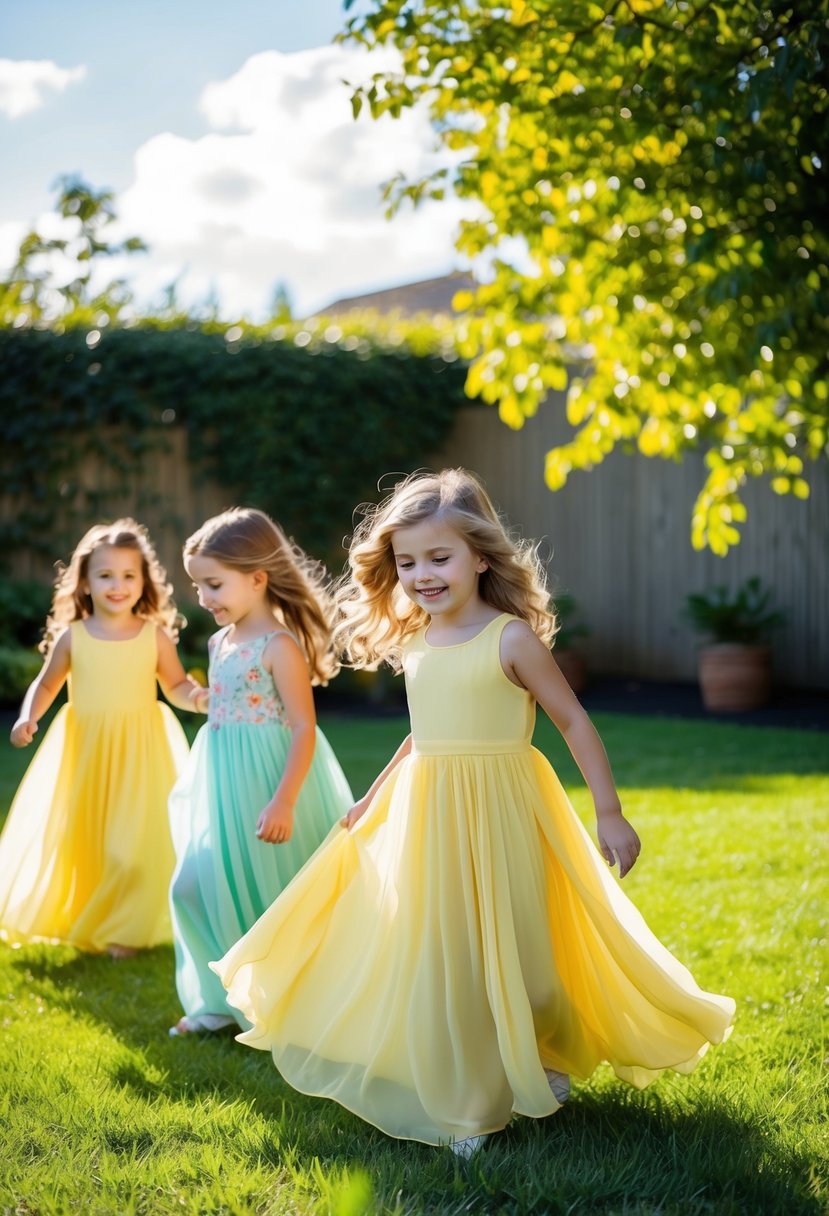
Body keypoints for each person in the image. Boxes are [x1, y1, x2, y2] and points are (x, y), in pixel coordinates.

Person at [211, 470, 735, 1153]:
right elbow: (421, 731)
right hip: (428, 813)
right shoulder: (418, 641)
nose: (422, 575)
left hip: (505, 809)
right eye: (407, 563)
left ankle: (539, 1052)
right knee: (445, 949)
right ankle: (468, 1101)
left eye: (439, 558)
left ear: (480, 556)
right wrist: (373, 795)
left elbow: (572, 721)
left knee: (520, 948)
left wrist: (608, 814)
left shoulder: (510, 639)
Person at [168, 507, 353, 1036]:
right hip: (223, 781)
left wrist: (285, 800)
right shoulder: (218, 643)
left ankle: (288, 999)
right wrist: (199, 696)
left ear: (256, 578)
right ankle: (216, 1000)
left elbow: (302, 727)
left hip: (271, 781)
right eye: (198, 585)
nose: (203, 598)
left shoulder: (279, 647)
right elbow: (225, 700)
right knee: (196, 886)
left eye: (214, 584)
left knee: (272, 892)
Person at [0, 519, 202, 957]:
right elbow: (47, 684)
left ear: (143, 581)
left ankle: (125, 931)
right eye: (105, 575)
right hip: (86, 749)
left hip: (138, 750)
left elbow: (176, 686)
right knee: (86, 841)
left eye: (129, 575)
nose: (117, 585)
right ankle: (90, 916)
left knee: (129, 846)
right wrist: (27, 716)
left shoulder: (154, 635)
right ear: (85, 583)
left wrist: (202, 699)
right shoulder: (74, 637)